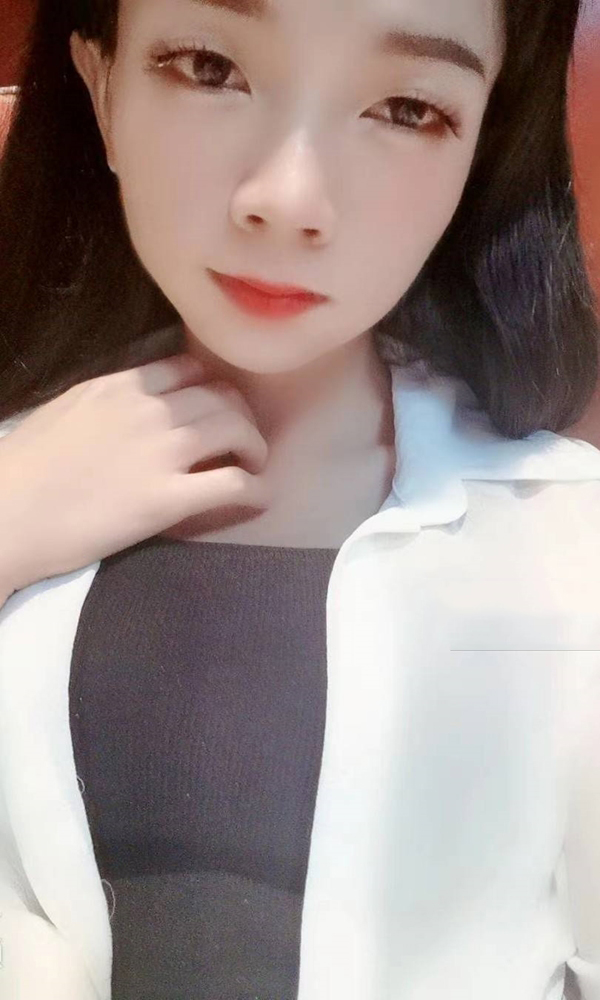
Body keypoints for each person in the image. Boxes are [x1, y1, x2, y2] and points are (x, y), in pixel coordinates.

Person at [1, 0, 600, 997]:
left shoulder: (567, 547)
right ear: (102, 92)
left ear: (479, 145)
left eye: (408, 110)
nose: (289, 198)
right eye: (208, 67)